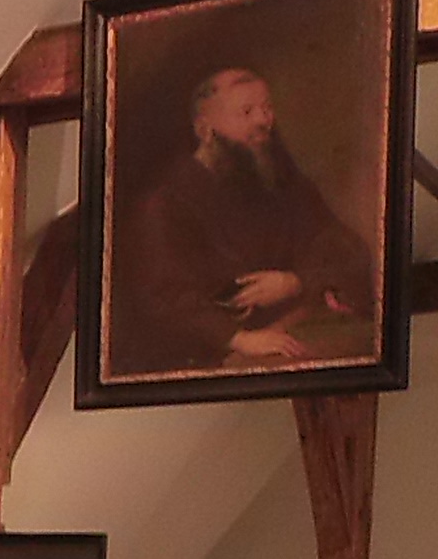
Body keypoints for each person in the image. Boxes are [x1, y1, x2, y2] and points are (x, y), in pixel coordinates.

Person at [112, 66, 377, 377]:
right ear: (205, 130)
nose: (264, 121)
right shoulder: (165, 204)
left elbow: (344, 247)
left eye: (267, 109)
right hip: (206, 361)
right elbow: (164, 296)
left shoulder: (284, 185)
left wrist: (295, 282)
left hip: (290, 332)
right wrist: (239, 338)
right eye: (247, 112)